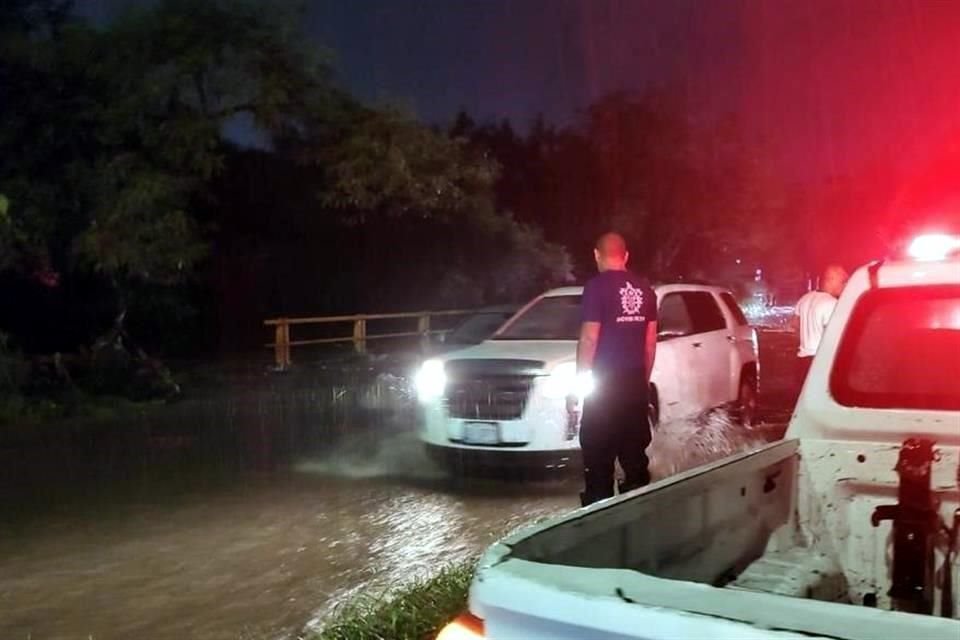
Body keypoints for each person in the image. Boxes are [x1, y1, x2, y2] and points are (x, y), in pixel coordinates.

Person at [570, 232, 658, 507]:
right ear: (626, 256)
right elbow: (650, 344)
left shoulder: (596, 287)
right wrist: (641, 383)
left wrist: (580, 382)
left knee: (598, 460)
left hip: (604, 387)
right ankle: (638, 521)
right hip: (634, 385)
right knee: (634, 461)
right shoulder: (645, 290)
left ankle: (599, 522)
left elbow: (589, 338)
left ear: (597, 255)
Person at [794, 265, 848, 388]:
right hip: (821, 362)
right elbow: (832, 336)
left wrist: (806, 340)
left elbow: (795, 325)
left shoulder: (805, 298)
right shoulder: (831, 303)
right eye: (843, 281)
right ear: (832, 280)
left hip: (802, 361)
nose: (845, 286)